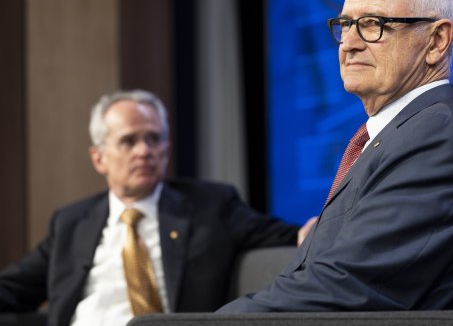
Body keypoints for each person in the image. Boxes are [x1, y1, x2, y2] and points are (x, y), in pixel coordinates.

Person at [218, 0, 453, 313]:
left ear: (437, 41)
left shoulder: (436, 140)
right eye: (345, 24)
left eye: (373, 24)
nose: (349, 43)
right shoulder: (400, 134)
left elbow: (344, 290)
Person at [0, 89, 312, 326]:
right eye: (129, 141)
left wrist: (313, 232)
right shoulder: (71, 222)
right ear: (99, 158)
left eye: (154, 139)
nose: (145, 151)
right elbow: (14, 287)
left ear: (167, 150)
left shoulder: (210, 206)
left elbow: (285, 235)